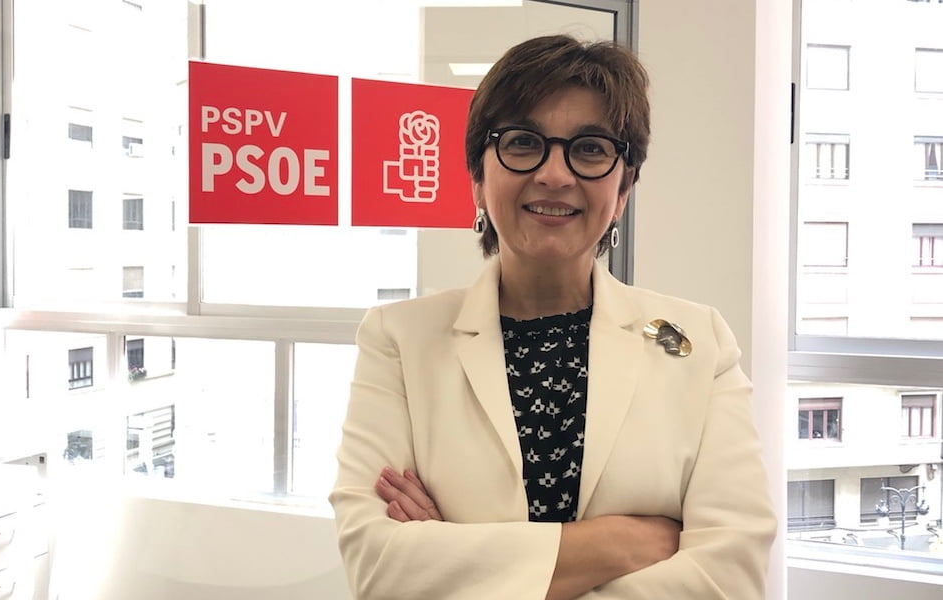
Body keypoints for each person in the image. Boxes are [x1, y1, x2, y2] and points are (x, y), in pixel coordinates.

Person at [329, 34, 777, 599]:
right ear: (478, 178)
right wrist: (621, 544)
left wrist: (461, 560)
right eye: (523, 142)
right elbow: (379, 569)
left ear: (623, 188)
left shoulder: (701, 343)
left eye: (590, 148)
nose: (556, 174)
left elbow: (729, 578)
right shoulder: (398, 340)